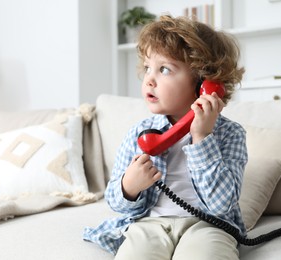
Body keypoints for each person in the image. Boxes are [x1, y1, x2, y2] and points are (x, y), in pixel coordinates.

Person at [84, 15, 247, 260]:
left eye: (164, 69)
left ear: (205, 83)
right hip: (149, 224)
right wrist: (129, 187)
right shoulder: (140, 134)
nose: (149, 79)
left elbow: (222, 205)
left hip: (209, 225)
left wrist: (202, 137)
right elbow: (115, 203)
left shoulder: (230, 134)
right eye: (148, 68)